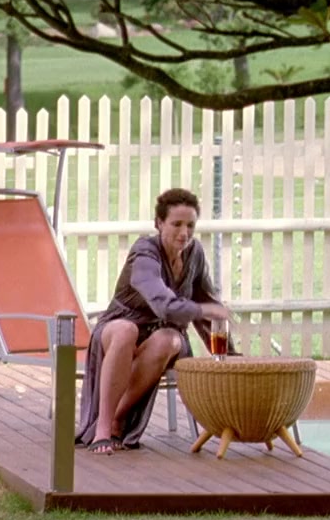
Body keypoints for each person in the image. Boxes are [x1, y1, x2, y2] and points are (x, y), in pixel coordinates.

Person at [74, 188, 231, 454]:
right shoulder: (144, 252)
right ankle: (102, 429)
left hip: (163, 339)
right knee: (126, 330)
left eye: (190, 225)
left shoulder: (195, 253)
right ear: (158, 223)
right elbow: (163, 304)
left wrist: (231, 356)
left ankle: (117, 417)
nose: (184, 233)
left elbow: (209, 306)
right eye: (176, 224)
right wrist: (204, 310)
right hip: (120, 328)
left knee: (169, 339)